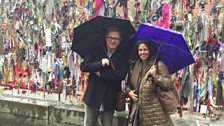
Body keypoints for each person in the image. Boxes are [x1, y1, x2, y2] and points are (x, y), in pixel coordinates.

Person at [80, 27, 129, 126]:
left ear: (120, 41)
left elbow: (121, 74)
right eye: (110, 37)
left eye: (116, 38)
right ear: (105, 38)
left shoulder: (123, 55)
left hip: (110, 97)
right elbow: (84, 66)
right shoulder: (96, 50)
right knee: (89, 123)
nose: (113, 40)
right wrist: (100, 63)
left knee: (107, 123)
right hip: (93, 95)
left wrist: (101, 74)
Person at [126, 39, 174, 126]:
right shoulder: (134, 64)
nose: (142, 52)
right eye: (140, 50)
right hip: (137, 110)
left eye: (145, 49)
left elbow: (168, 84)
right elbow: (128, 82)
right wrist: (128, 91)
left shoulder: (158, 64)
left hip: (154, 113)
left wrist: (155, 76)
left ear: (150, 50)